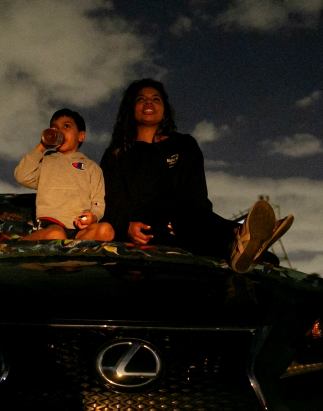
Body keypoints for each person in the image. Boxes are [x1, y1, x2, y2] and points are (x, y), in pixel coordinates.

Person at [100, 79, 292, 273]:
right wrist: (127, 226)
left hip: (186, 222)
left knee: (180, 211)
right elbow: (112, 201)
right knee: (167, 210)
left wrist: (191, 224)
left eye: (155, 99)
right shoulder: (116, 155)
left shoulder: (184, 145)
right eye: (141, 99)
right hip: (146, 228)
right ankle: (237, 235)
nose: (149, 102)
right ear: (130, 108)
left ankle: (238, 241)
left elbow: (197, 196)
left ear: (164, 108)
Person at [14, 109, 114, 241]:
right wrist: (42, 146)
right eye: (54, 128)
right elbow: (22, 175)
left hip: (80, 229)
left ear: (81, 136)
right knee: (57, 235)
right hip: (52, 224)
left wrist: (93, 217)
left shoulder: (92, 167)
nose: (59, 131)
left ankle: (71, 252)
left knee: (106, 231)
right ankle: (22, 243)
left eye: (66, 126)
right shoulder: (45, 162)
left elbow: (98, 202)